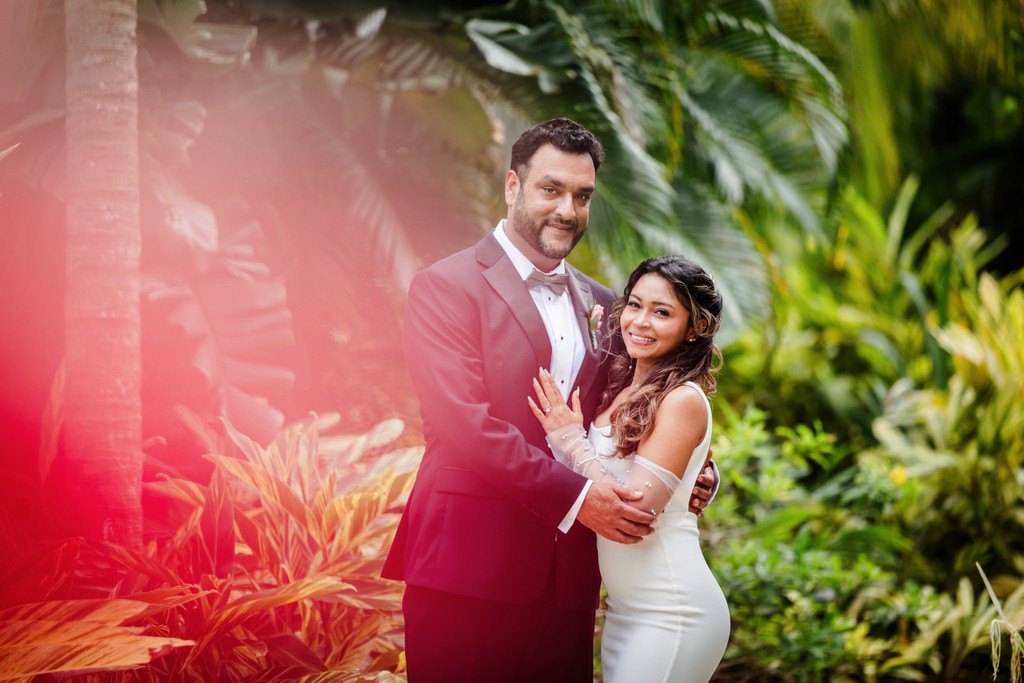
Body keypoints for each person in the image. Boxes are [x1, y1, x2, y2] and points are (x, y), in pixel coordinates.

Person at [382, 118, 717, 683]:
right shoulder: (446, 286)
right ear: (513, 187)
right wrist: (580, 498)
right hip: (469, 567)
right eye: (551, 190)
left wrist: (692, 466)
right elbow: (467, 426)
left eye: (582, 196)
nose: (568, 210)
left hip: (566, 581)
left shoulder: (607, 304)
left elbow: (637, 408)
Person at [528, 255, 730, 683]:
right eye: (635, 305)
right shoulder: (621, 388)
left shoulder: (683, 399)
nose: (640, 321)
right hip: (625, 611)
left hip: (671, 610)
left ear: (695, 327)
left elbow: (634, 511)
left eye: (662, 312)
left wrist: (570, 440)